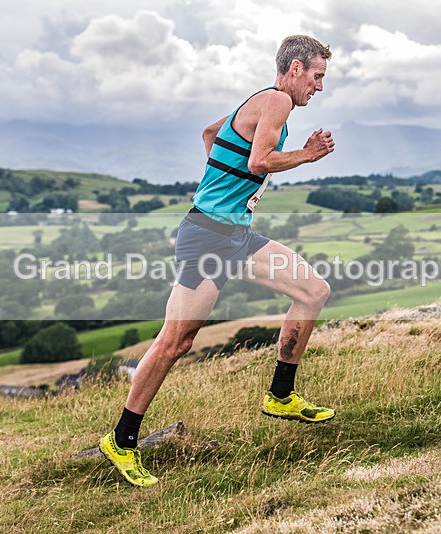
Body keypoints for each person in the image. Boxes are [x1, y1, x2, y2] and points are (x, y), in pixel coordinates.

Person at [99, 35, 336, 487]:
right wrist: (306, 155)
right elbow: (260, 161)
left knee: (313, 291)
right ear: (295, 69)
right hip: (207, 237)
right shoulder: (277, 101)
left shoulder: (260, 102)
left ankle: (281, 395)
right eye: (317, 76)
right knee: (175, 342)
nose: (319, 87)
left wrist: (223, 184)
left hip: (235, 236)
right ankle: (122, 441)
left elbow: (211, 134)